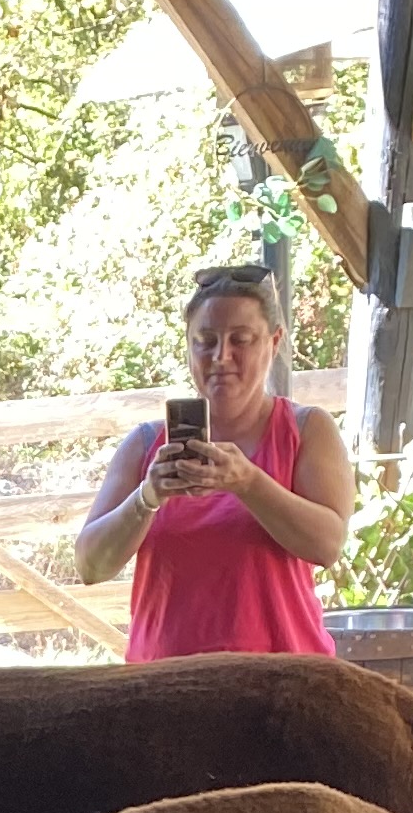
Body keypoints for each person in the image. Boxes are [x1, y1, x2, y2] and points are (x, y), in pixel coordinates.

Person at [71, 261, 357, 661]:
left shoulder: (306, 430)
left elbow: (327, 546)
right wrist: (147, 497)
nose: (221, 357)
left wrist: (249, 483)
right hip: (165, 684)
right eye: (205, 341)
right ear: (188, 345)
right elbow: (91, 567)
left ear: (274, 342)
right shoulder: (146, 444)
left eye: (241, 339)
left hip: (284, 683)